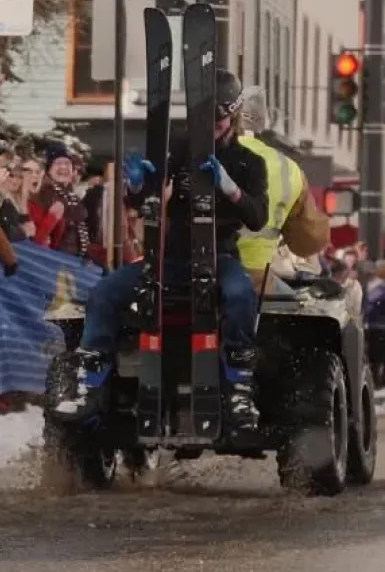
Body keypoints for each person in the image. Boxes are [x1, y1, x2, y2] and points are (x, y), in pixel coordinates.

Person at [52, 69, 269, 435]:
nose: (212, 126)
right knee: (105, 292)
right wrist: (137, 186)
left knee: (239, 294)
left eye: (218, 118)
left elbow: (257, 218)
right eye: (205, 119)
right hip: (172, 256)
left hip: (220, 255)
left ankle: (239, 387)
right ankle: (89, 383)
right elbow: (148, 201)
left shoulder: (250, 162)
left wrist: (229, 187)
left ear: (232, 113)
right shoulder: (180, 149)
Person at [238, 86, 330, 293]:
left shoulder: (198, 156)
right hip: (254, 281)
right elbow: (307, 241)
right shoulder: (289, 169)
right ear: (262, 123)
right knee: (300, 304)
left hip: (190, 279)